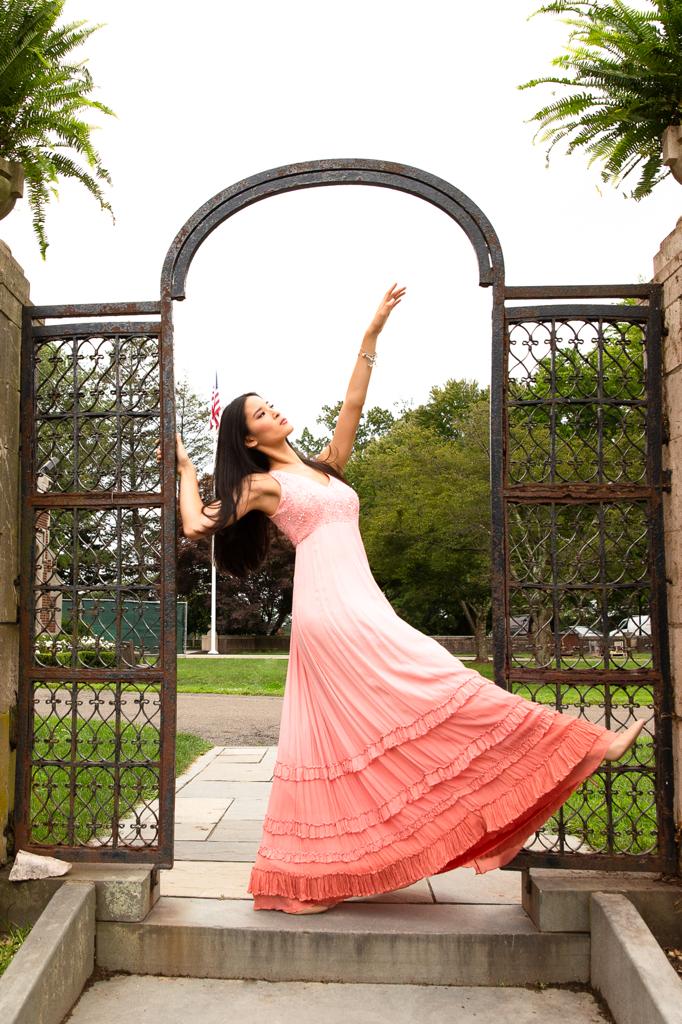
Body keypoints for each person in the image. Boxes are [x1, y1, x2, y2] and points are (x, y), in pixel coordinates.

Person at [169, 283, 645, 915]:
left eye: (272, 404)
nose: (275, 413)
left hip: (361, 604)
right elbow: (196, 526)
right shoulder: (261, 483)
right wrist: (186, 470)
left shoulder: (323, 466)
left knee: (348, 738)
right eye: (260, 413)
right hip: (332, 613)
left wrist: (371, 334)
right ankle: (583, 743)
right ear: (249, 437)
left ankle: (312, 879)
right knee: (442, 681)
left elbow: (353, 406)